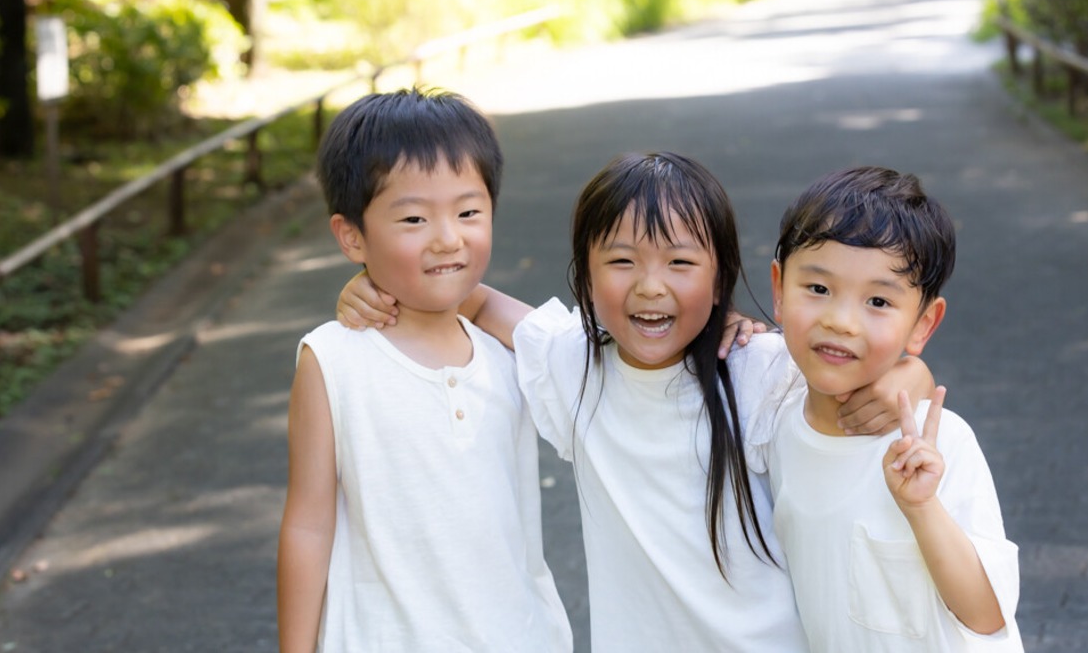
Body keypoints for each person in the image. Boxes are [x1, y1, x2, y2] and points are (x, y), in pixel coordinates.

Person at [339, 152, 936, 652]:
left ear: (719, 278)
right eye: (622, 261)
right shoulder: (573, 364)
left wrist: (910, 372)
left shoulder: (758, 370)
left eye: (680, 263)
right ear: (586, 274)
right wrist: (378, 282)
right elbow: (474, 300)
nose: (651, 286)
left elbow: (847, 370)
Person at [276, 88, 572, 653]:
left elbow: (601, 353)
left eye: (469, 212)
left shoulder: (510, 354)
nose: (448, 238)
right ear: (352, 236)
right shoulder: (332, 360)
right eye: (414, 218)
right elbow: (308, 525)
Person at [749, 166, 1022, 651]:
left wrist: (921, 507)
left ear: (923, 325)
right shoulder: (775, 423)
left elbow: (987, 614)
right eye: (818, 289)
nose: (841, 321)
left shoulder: (937, 445)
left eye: (877, 301)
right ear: (779, 289)